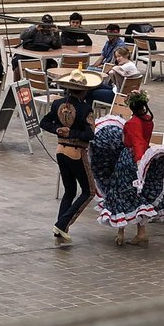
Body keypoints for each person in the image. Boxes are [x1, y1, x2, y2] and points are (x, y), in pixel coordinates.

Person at [90, 90, 164, 247]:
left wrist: (138, 162)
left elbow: (137, 143)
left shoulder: (132, 123)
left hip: (129, 159)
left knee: (119, 192)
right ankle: (141, 232)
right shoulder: (148, 121)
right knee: (138, 194)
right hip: (143, 157)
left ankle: (121, 233)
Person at [40, 77, 96, 244]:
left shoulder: (58, 104)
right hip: (76, 152)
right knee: (89, 191)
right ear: (84, 90)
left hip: (60, 151)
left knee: (69, 190)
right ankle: (63, 222)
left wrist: (58, 129)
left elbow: (44, 122)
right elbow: (90, 134)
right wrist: (71, 134)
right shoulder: (85, 109)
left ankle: (61, 227)